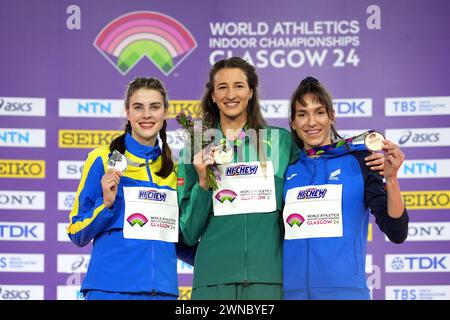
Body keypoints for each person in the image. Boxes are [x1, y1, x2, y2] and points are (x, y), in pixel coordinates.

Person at [177, 58, 385, 300]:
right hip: (212, 283)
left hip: (270, 281)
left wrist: (363, 159)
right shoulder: (196, 147)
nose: (231, 94)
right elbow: (187, 234)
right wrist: (204, 185)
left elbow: (319, 163)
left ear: (251, 92)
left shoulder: (281, 141)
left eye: (239, 86)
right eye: (222, 87)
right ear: (212, 95)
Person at [282, 76, 409, 300]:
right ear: (293, 122)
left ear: (332, 116)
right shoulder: (286, 169)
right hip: (292, 295)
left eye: (319, 112)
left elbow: (396, 231)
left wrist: (392, 180)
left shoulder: (361, 161)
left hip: (346, 293)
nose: (311, 122)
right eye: (302, 114)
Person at [67, 77, 180, 300]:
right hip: (110, 290)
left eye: (154, 107)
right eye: (138, 107)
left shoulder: (174, 169)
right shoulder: (102, 158)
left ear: (165, 112)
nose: (146, 114)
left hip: (162, 292)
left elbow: (179, 237)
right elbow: (76, 231)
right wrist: (106, 205)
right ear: (128, 112)